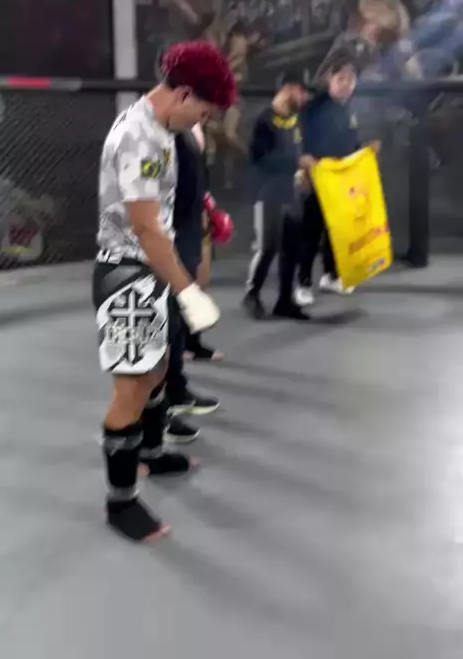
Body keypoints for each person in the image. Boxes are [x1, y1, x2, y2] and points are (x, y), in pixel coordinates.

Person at [92, 41, 237, 543]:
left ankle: (151, 453)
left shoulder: (160, 131)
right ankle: (120, 503)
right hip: (129, 275)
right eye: (204, 110)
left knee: (155, 371)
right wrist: (189, 291)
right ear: (183, 94)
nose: (203, 119)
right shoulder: (140, 137)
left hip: (151, 269)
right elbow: (146, 228)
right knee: (132, 387)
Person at [165, 123, 230, 445]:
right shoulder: (155, 132)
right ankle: (155, 419)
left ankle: (176, 391)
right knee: (162, 326)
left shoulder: (188, 132)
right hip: (168, 238)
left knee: (176, 323)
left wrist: (208, 209)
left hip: (187, 232)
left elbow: (194, 181)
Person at [243, 71, 311, 321]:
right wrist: (296, 163)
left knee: (291, 248)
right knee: (268, 246)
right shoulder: (264, 120)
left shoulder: (295, 120)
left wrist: (302, 174)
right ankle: (252, 294)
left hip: (291, 193)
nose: (304, 97)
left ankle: (285, 300)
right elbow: (259, 160)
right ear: (288, 89)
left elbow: (297, 151)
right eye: (301, 91)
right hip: (268, 192)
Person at [295, 58, 364, 306]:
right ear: (329, 79)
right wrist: (303, 165)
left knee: (337, 229)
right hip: (317, 177)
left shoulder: (349, 109)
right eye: (340, 78)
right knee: (311, 232)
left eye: (350, 79)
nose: (345, 84)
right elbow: (298, 140)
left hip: (342, 179)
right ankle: (302, 283)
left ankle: (331, 275)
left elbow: (352, 142)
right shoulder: (313, 108)